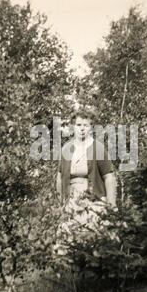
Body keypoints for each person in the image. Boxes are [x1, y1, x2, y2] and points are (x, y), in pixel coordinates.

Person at [53, 108, 119, 262]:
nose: (82, 128)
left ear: (91, 127)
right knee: (67, 238)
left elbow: (109, 177)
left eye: (85, 125)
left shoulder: (98, 148)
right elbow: (60, 177)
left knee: (92, 238)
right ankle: (69, 274)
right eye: (78, 125)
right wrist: (62, 202)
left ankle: (92, 273)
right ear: (73, 127)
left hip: (93, 199)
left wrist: (111, 205)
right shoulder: (66, 149)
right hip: (72, 200)